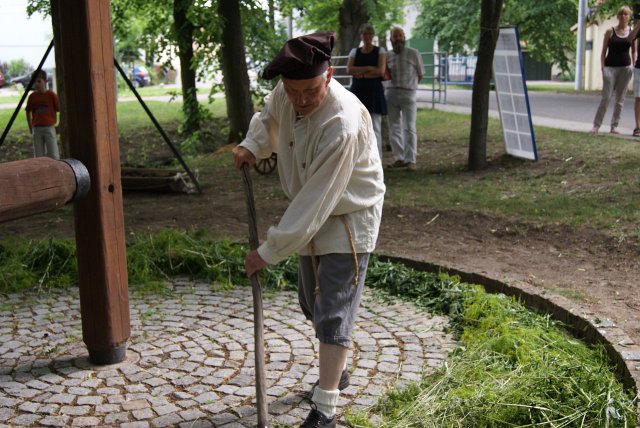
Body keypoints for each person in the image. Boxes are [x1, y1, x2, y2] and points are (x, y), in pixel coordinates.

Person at [232, 31, 385, 428]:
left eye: (311, 90)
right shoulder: (288, 94)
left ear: (329, 75)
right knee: (311, 304)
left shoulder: (342, 123)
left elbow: (316, 201)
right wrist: (252, 145)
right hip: (310, 212)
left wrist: (266, 251)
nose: (301, 100)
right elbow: (269, 118)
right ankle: (339, 367)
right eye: (294, 90)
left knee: (332, 312)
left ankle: (326, 408)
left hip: (347, 217)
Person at [591, 5, 634, 134]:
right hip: (610, 68)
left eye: (626, 14)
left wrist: (632, 65)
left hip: (625, 68)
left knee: (620, 100)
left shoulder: (632, 31)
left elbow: (635, 51)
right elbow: (603, 51)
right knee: (606, 97)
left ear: (629, 17)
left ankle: (614, 126)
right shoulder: (610, 31)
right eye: (621, 14)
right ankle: (596, 126)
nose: (623, 16)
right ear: (618, 16)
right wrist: (603, 67)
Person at [385, 26, 424, 171]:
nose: (397, 39)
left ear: (404, 37)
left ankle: (411, 160)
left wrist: (410, 86)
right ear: (390, 39)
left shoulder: (413, 53)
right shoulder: (387, 56)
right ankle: (399, 158)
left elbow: (420, 74)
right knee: (394, 127)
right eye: (395, 36)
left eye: (400, 36)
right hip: (391, 94)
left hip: (408, 94)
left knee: (409, 127)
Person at [347, 23, 387, 158]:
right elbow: (349, 69)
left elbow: (381, 71)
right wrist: (369, 68)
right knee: (357, 125)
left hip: (374, 92)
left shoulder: (380, 51)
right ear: (361, 36)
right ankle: (360, 158)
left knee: (375, 126)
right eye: (364, 34)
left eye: (369, 33)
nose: (367, 36)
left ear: (373, 35)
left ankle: (377, 158)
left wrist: (362, 73)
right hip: (358, 91)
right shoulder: (355, 52)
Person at [25, 69, 60, 159]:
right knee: (38, 155)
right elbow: (27, 111)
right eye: (34, 82)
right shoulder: (32, 96)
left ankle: (55, 170)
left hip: (49, 128)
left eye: (39, 81)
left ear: (45, 81)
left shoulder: (51, 95)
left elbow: (59, 109)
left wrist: (59, 124)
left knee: (53, 154)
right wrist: (30, 127)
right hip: (36, 129)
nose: (36, 84)